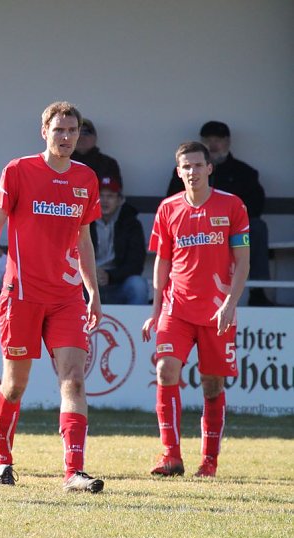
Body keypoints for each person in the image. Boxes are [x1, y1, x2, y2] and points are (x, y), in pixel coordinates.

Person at [0, 101, 105, 493]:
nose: (66, 138)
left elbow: (84, 238)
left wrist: (92, 289)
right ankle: (2, 460)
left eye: (72, 131)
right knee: (14, 384)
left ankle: (74, 472)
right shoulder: (18, 171)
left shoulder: (86, 178)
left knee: (74, 381)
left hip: (66, 298)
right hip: (22, 295)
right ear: (44, 130)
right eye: (59, 130)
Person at [143, 141, 250, 479]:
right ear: (179, 172)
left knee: (212, 385)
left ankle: (209, 461)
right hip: (176, 308)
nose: (192, 172)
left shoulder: (232, 206)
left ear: (209, 168)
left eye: (197, 165)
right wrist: (156, 309)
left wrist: (230, 305)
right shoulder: (168, 209)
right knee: (165, 371)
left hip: (217, 311)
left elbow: (243, 261)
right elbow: (162, 261)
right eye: (186, 167)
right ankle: (171, 456)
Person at [166, 121, 271, 306]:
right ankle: (175, 290)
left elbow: (256, 205)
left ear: (228, 142)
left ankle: (258, 292)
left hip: (232, 229)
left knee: (258, 227)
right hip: (196, 229)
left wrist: (226, 221)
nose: (213, 145)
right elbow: (173, 204)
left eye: (218, 140)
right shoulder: (183, 174)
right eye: (208, 140)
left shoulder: (244, 172)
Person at [90, 176, 148, 304]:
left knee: (138, 285)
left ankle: (138, 324)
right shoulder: (84, 221)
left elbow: (136, 263)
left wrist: (110, 276)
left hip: (118, 284)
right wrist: (90, 273)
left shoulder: (131, 224)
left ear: (120, 200)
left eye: (110, 196)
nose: (105, 201)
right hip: (88, 285)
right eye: (101, 196)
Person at [71, 118, 122, 188]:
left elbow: (113, 194)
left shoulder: (109, 164)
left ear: (95, 137)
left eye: (86, 133)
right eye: (77, 133)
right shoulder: (60, 163)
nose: (81, 137)